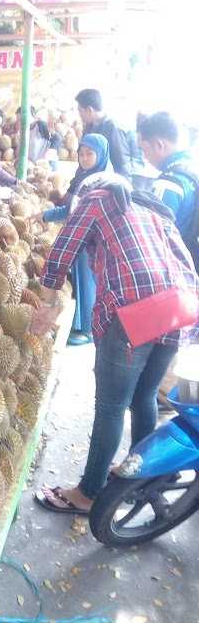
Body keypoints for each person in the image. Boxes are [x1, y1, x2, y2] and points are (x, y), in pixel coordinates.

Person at [31, 176, 198, 515]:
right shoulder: (152, 210)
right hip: (177, 307)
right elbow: (185, 264)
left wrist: (49, 303)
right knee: (144, 397)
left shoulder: (98, 198)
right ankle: (142, 478)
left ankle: (88, 492)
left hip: (135, 312)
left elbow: (63, 249)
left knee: (110, 406)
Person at [39, 133, 112, 345]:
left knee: (89, 283)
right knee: (82, 281)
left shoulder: (103, 181)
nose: (85, 158)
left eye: (90, 154)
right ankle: (81, 324)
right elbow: (73, 209)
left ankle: (88, 329)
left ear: (101, 155)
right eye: (81, 154)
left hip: (94, 240)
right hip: (80, 237)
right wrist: (46, 215)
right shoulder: (85, 177)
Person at [138, 112, 199, 256]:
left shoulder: (167, 184)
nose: (144, 157)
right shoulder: (192, 167)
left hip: (174, 261)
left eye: (145, 150)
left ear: (159, 145)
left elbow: (153, 236)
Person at [75, 88, 134, 180]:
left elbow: (122, 163)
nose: (79, 115)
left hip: (108, 183)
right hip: (93, 181)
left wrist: (122, 189)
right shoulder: (89, 128)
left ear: (89, 110)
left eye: (80, 111)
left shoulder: (112, 128)